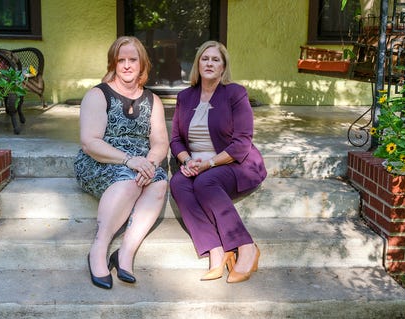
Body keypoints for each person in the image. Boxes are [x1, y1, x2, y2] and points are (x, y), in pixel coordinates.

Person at [74, 36, 169, 290]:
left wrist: (149, 163)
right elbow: (90, 143)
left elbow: (160, 143)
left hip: (139, 162)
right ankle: (99, 249)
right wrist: (130, 161)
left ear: (142, 64)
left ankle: (125, 253)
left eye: (132, 59)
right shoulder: (98, 94)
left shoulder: (153, 100)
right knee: (129, 183)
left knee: (159, 183)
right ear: (113, 63)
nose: (127, 65)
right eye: (121, 60)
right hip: (102, 160)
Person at [169, 40, 267, 283]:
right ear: (197, 64)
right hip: (198, 164)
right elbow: (175, 140)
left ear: (223, 67)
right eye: (205, 58)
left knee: (206, 182)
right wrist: (187, 160)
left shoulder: (235, 93)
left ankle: (246, 246)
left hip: (234, 163)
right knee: (179, 184)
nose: (209, 63)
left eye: (215, 59)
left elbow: (242, 142)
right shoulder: (185, 97)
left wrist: (209, 163)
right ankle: (216, 249)